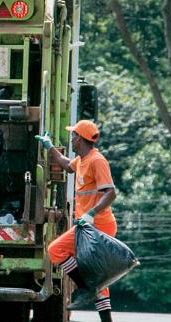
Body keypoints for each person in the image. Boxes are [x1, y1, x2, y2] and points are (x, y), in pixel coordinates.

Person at [35, 120, 117, 322]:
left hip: (98, 225)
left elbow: (111, 193)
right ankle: (101, 310)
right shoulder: (81, 160)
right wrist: (49, 146)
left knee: (55, 250)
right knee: (99, 276)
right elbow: (64, 163)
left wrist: (91, 213)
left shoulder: (97, 161)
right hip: (87, 225)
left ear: (80, 138)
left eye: (73, 135)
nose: (71, 138)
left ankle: (85, 289)